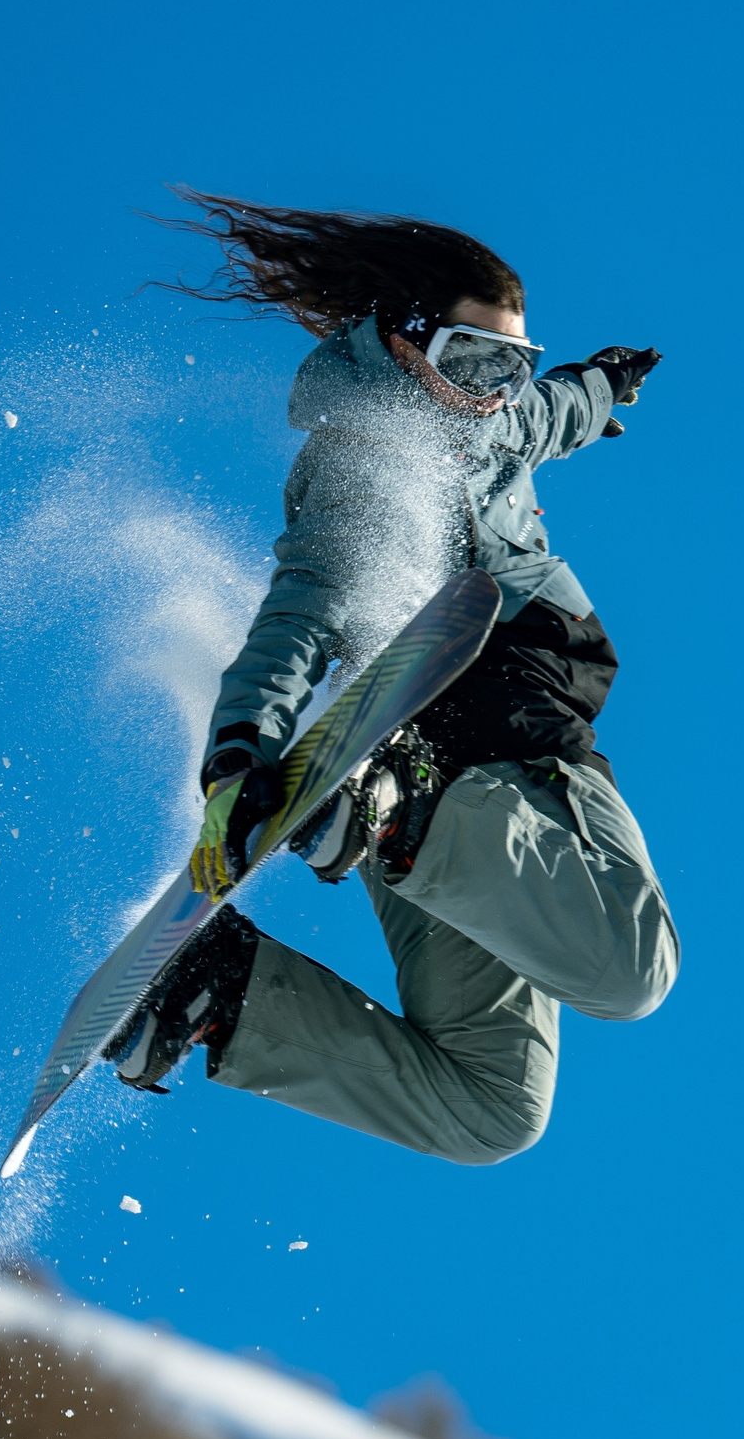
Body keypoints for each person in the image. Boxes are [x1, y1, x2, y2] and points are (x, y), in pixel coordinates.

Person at [110, 193, 680, 1165]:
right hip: (503, 739)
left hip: (432, 834)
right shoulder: (367, 458)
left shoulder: (496, 419)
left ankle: (227, 995)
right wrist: (238, 755)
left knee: (494, 1111)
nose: (497, 388)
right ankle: (401, 808)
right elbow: (299, 617)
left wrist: (602, 385)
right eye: (474, 362)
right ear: (403, 340)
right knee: (632, 972)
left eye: (513, 364)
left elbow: (551, 416)